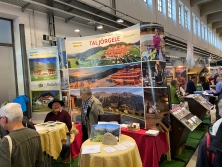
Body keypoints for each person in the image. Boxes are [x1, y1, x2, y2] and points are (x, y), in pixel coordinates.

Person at [45, 98, 72, 164]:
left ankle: (62, 156)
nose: (56, 106)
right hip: (52, 135)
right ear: (52, 107)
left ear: (60, 106)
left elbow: (69, 125)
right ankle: (53, 157)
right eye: (54, 105)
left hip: (64, 134)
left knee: (66, 145)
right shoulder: (49, 115)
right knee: (47, 144)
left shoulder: (65, 114)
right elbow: (45, 125)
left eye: (58, 105)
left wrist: (64, 133)